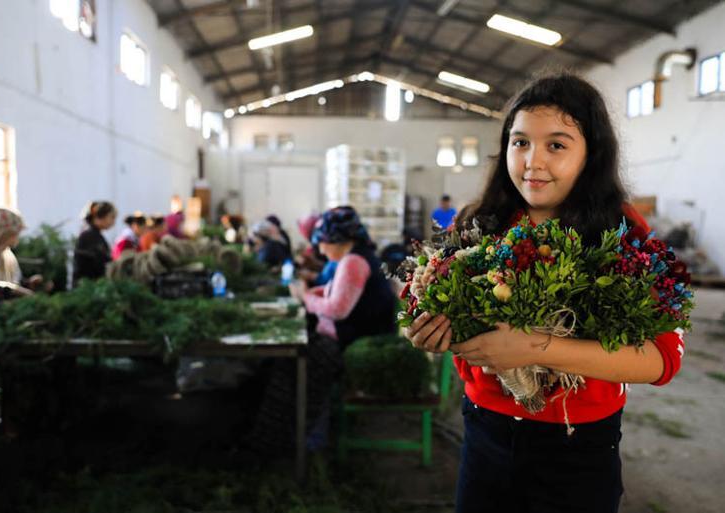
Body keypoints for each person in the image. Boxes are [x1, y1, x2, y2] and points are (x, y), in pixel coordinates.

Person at [404, 73, 685, 513]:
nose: (533, 162)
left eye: (556, 145)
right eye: (520, 143)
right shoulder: (482, 223)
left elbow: (662, 361)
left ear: (591, 153)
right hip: (485, 435)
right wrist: (432, 332)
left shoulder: (623, 234)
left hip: (577, 448)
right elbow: (439, 315)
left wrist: (537, 348)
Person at [244, 206, 396, 455]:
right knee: (290, 360)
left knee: (297, 364)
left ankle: (302, 442)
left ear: (337, 240)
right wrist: (312, 294)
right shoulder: (359, 255)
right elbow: (335, 293)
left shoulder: (353, 262)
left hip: (358, 341)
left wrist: (304, 297)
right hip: (361, 333)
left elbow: (337, 309)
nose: (321, 250)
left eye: (323, 242)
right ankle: (293, 435)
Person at [73, 201, 116, 284]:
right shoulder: (89, 236)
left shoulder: (93, 235)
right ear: (99, 217)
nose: (113, 222)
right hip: (88, 288)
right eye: (111, 217)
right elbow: (100, 264)